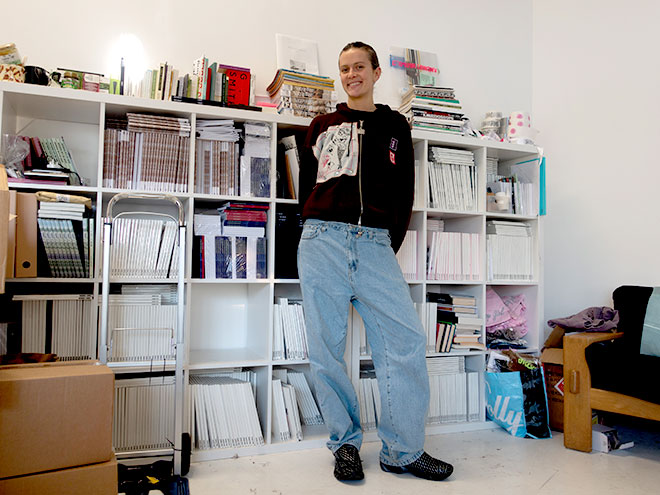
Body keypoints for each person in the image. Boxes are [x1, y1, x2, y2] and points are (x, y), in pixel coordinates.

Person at [297, 41, 454, 482]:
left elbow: (404, 192)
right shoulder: (322, 125)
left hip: (374, 244)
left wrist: (384, 241)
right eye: (344, 68)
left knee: (405, 341)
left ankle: (402, 450)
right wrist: (313, 230)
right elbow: (308, 188)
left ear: (376, 72)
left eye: (359, 67)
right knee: (326, 350)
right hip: (322, 240)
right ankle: (345, 445)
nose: (352, 75)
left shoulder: (395, 125)